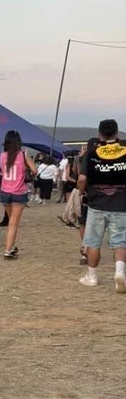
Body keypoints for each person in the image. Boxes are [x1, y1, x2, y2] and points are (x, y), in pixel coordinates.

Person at [77, 120, 126, 292]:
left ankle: (92, 276)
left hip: (96, 203)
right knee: (120, 242)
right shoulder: (125, 150)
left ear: (100, 134)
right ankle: (120, 272)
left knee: (93, 242)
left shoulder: (92, 153)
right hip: (121, 204)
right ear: (117, 134)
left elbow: (82, 179)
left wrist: (80, 192)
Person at [0, 131, 38, 259]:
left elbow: (4, 171)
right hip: (19, 192)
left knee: (11, 221)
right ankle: (8, 249)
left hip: (5, 191)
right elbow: (35, 170)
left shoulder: (2, 156)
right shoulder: (23, 154)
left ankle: (12, 246)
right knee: (13, 223)